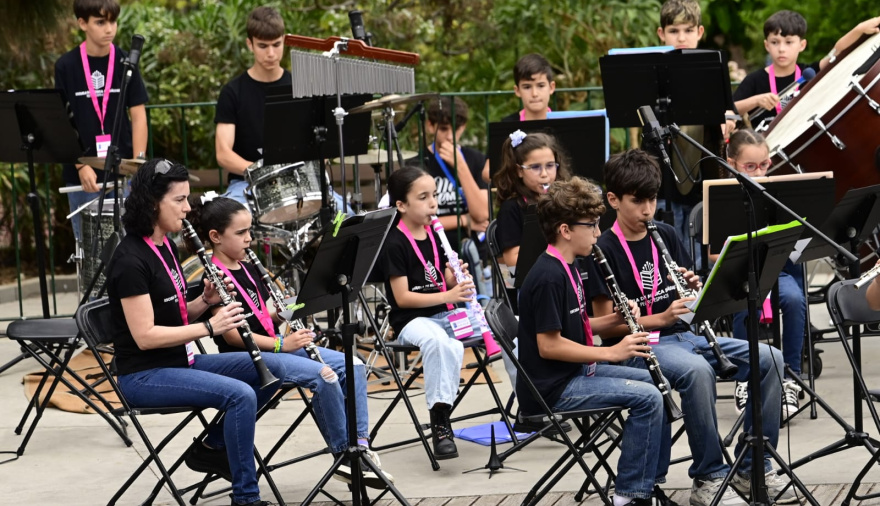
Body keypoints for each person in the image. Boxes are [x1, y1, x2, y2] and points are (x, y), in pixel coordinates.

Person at [587, 149, 794, 506]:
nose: (647, 210)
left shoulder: (664, 232)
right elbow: (608, 329)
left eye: (651, 199)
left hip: (686, 336)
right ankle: (709, 477)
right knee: (698, 372)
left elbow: (689, 304)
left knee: (771, 359)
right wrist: (664, 318)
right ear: (613, 200)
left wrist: (698, 291)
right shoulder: (602, 249)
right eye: (637, 202)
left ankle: (752, 468)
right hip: (640, 347)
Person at [105, 159, 287, 506]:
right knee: (240, 395)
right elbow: (145, 335)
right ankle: (246, 498)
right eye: (179, 200)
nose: (188, 209)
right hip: (145, 375)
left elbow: (175, 315)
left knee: (274, 372)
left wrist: (204, 302)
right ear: (152, 202)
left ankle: (212, 448)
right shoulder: (131, 260)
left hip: (179, 361)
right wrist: (209, 326)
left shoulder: (165, 247)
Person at [185, 194, 393, 488]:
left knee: (354, 365)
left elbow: (263, 314)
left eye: (250, 232)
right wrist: (284, 344)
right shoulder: (215, 275)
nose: (249, 240)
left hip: (278, 348)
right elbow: (232, 334)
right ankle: (344, 455)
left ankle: (360, 445)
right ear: (215, 237)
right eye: (241, 233)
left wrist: (291, 308)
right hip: (253, 357)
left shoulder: (246, 266)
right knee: (326, 375)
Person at [518, 176, 671, 506]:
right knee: (647, 398)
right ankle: (630, 496)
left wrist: (616, 320)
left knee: (659, 385)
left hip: (574, 374)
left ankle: (647, 483)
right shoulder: (547, 277)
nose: (598, 233)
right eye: (591, 225)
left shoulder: (570, 265)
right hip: (555, 387)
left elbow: (578, 325)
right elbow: (550, 345)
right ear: (566, 230)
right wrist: (612, 353)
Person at [381, 166, 483, 460]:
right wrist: (449, 294)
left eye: (434, 195)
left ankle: (532, 407)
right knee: (440, 343)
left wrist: (456, 280)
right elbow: (402, 298)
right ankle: (440, 422)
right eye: (423, 197)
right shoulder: (394, 242)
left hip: (446, 314)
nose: (433, 204)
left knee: (507, 327)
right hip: (412, 320)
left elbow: (439, 280)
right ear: (401, 205)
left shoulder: (435, 234)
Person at [723, 128, 805, 418]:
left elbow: (799, 246)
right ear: (731, 163)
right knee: (745, 306)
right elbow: (712, 254)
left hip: (775, 271)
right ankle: (745, 379)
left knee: (795, 300)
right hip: (738, 273)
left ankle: (791, 376)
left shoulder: (779, 193)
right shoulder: (721, 196)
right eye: (750, 167)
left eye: (764, 165)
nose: (758, 173)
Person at [647, 0, 730, 271]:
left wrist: (728, 119)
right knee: (670, 256)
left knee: (699, 258)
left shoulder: (714, 65)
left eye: (688, 30)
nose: (681, 37)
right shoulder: (650, 69)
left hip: (702, 179)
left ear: (700, 31)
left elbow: (727, 111)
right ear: (661, 34)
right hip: (662, 182)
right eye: (673, 30)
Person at [55, 0, 148, 241]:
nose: (109, 29)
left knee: (130, 245)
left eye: (113, 21)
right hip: (83, 178)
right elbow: (63, 120)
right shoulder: (66, 66)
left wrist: (138, 164)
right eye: (100, 22)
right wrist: (80, 165)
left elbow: (138, 116)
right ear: (82, 23)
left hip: (123, 173)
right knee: (89, 252)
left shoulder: (126, 61)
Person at [733, 11, 880, 127]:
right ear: (767, 46)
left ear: (802, 45)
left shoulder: (809, 73)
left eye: (789, 42)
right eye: (775, 42)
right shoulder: (754, 80)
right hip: (764, 153)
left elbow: (837, 52)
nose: (781, 49)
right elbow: (729, 110)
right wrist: (756, 101)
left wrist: (859, 28)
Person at [214, 6, 289, 204]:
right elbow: (223, 153)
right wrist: (263, 174)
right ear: (250, 44)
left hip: (296, 183)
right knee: (229, 222)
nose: (271, 53)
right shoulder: (232, 92)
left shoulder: (301, 86)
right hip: (245, 182)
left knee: (345, 216)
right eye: (263, 46)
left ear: (285, 40)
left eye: (276, 44)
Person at [493, 130, 571, 273]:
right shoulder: (511, 208)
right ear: (519, 171)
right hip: (531, 282)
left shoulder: (563, 200)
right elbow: (511, 261)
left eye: (550, 165)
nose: (544, 174)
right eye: (535, 167)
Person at [423, 96, 489, 252]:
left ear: (463, 127)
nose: (450, 136)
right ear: (430, 126)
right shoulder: (419, 162)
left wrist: (460, 166)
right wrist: (464, 220)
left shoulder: (475, 158)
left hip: (473, 248)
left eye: (456, 128)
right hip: (434, 247)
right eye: (444, 129)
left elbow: (482, 215)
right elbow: (419, 221)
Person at [481, 53, 557, 183]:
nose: (534, 93)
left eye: (540, 85)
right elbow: (487, 172)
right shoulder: (506, 125)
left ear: (551, 87)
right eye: (527, 87)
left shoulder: (564, 122)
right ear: (517, 90)